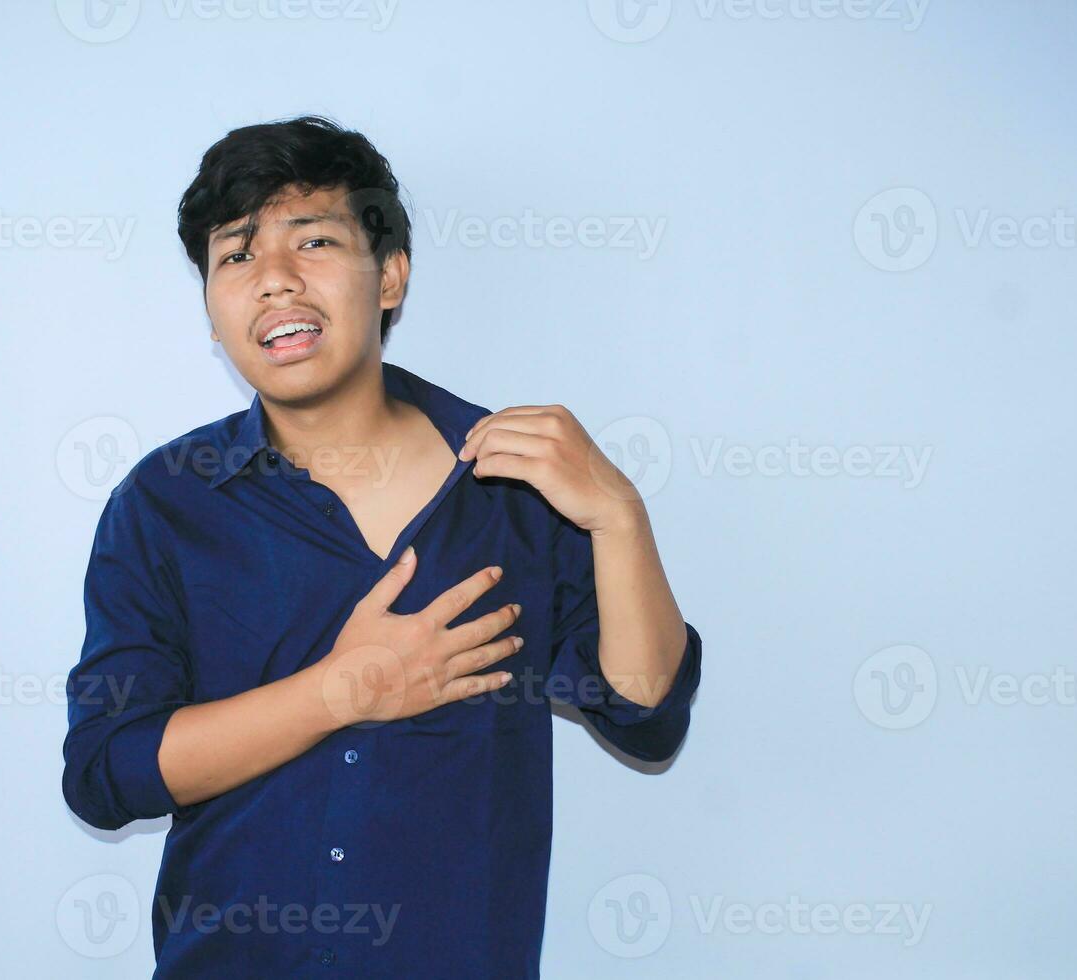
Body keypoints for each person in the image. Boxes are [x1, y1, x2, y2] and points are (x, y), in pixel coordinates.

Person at [61, 114, 703, 979]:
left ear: (391, 276)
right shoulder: (167, 502)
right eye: (236, 256)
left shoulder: (517, 481)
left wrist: (619, 515)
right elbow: (109, 772)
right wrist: (343, 689)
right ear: (213, 315)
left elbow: (644, 715)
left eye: (313, 241)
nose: (275, 281)